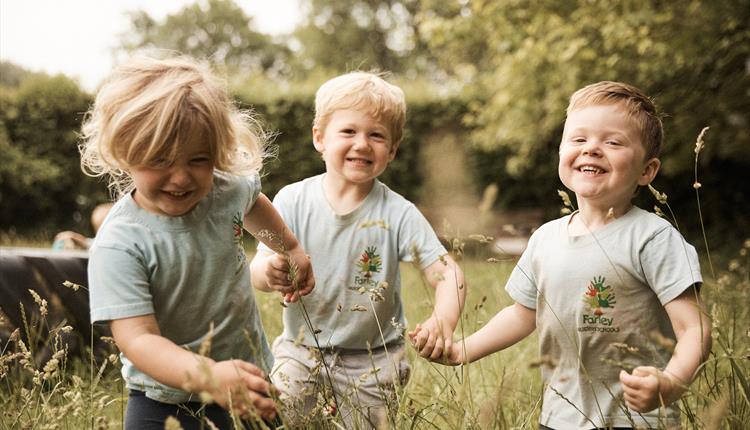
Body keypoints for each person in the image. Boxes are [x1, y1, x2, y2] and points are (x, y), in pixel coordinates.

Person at [421, 81, 712, 429]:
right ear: (561, 152)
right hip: (560, 416)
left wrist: (669, 383)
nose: (592, 149)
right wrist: (463, 350)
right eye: (579, 139)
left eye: (613, 142)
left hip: (634, 419)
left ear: (646, 171)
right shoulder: (545, 239)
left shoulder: (654, 238)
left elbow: (695, 329)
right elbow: (521, 314)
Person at [79, 56, 314, 430]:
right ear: (124, 152)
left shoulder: (225, 190)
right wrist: (209, 377)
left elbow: (253, 204)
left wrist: (290, 248)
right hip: (162, 399)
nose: (181, 176)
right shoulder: (121, 243)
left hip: (247, 377)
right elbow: (137, 339)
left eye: (199, 159)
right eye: (160, 160)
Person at [249, 71, 466, 427]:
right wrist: (269, 271)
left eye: (376, 135)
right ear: (319, 137)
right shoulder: (292, 199)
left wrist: (443, 320)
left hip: (374, 359)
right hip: (301, 351)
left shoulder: (398, 213)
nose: (362, 144)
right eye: (348, 131)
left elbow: (448, 274)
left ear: (392, 150)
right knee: (281, 419)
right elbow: (258, 267)